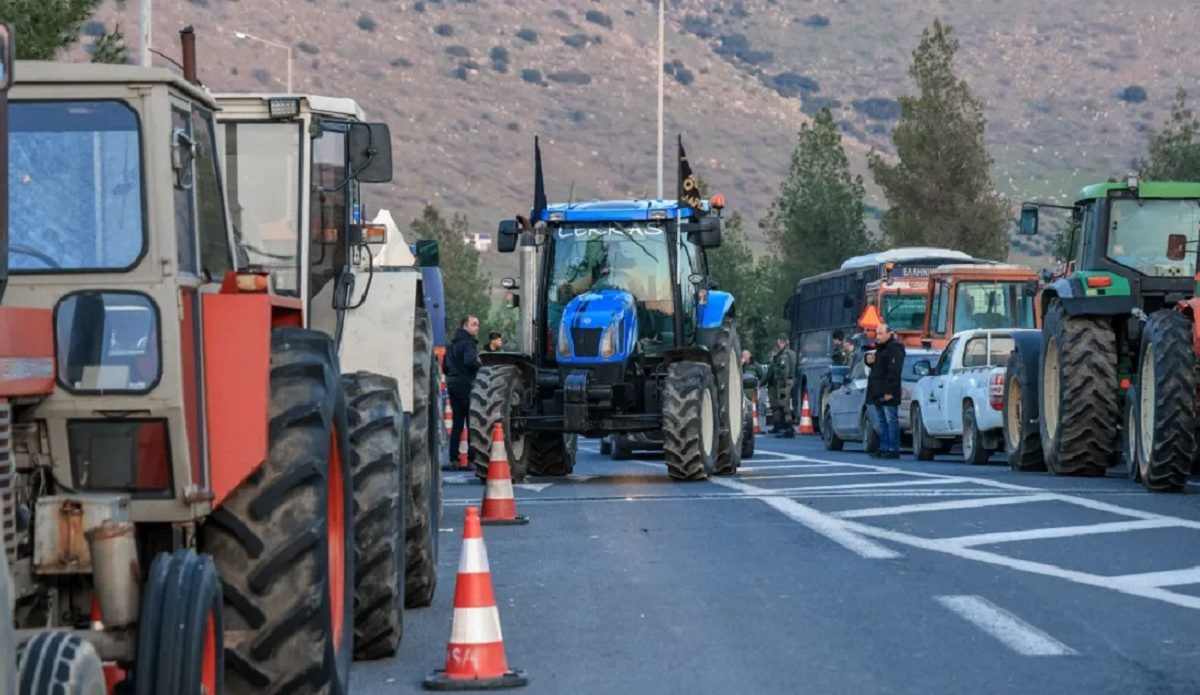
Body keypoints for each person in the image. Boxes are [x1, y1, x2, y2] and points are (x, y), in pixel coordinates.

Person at [445, 316, 481, 466]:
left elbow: (445, 367)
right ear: (465, 326)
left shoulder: (451, 344)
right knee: (471, 422)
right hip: (466, 385)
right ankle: (472, 458)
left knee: (457, 423)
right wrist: (480, 365)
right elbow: (470, 361)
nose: (477, 327)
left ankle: (454, 457)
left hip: (452, 385)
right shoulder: (469, 344)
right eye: (474, 324)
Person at [865, 322, 905, 459]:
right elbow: (877, 366)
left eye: (881, 333)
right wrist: (868, 361)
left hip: (888, 392)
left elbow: (894, 371)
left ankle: (893, 449)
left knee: (890, 421)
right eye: (877, 333)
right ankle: (883, 447)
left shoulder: (894, 348)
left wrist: (889, 391)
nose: (878, 336)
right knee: (882, 421)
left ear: (889, 334)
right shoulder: (881, 348)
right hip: (878, 391)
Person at [766, 334, 797, 438]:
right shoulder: (792, 353)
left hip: (784, 381)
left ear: (780, 342)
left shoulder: (784, 354)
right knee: (785, 404)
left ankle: (789, 429)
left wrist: (782, 380)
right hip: (789, 380)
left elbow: (784, 370)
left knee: (784, 405)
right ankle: (787, 427)